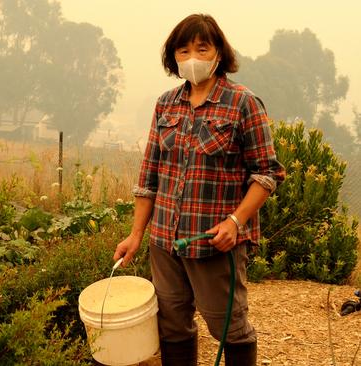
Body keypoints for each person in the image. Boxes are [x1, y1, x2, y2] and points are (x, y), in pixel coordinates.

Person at [113, 14, 286, 366]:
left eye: (202, 48)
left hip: (212, 243)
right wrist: (135, 235)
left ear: (219, 53)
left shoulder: (243, 104)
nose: (192, 56)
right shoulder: (166, 104)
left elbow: (266, 174)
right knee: (172, 326)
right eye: (183, 49)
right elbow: (149, 177)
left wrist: (236, 222)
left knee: (229, 328)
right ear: (173, 57)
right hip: (165, 241)